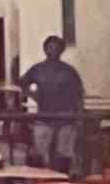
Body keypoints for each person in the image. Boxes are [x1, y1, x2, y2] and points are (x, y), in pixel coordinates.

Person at [19, 34, 85, 174]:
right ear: (45, 49)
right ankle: (41, 182)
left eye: (56, 48)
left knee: (64, 154)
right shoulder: (37, 69)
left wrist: (79, 117)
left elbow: (79, 94)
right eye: (50, 47)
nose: (53, 51)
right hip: (44, 117)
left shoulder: (69, 71)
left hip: (66, 118)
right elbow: (22, 82)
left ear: (61, 50)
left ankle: (62, 181)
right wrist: (34, 95)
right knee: (39, 154)